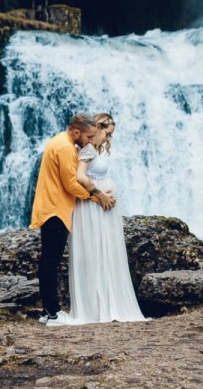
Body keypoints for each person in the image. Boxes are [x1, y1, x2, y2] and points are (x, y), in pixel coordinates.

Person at [52, 113, 148, 325]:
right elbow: (80, 177)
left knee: (105, 250)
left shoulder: (92, 149)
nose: (108, 139)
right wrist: (100, 194)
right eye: (107, 133)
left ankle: (106, 300)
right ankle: (98, 305)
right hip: (92, 207)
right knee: (95, 250)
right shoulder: (86, 150)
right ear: (98, 128)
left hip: (101, 208)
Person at [30, 113, 115, 324]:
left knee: (49, 260)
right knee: (51, 261)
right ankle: (53, 313)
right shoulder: (66, 147)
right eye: (87, 137)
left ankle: (47, 312)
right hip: (56, 209)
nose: (88, 142)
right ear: (77, 132)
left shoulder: (59, 140)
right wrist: (97, 196)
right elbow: (71, 184)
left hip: (50, 206)